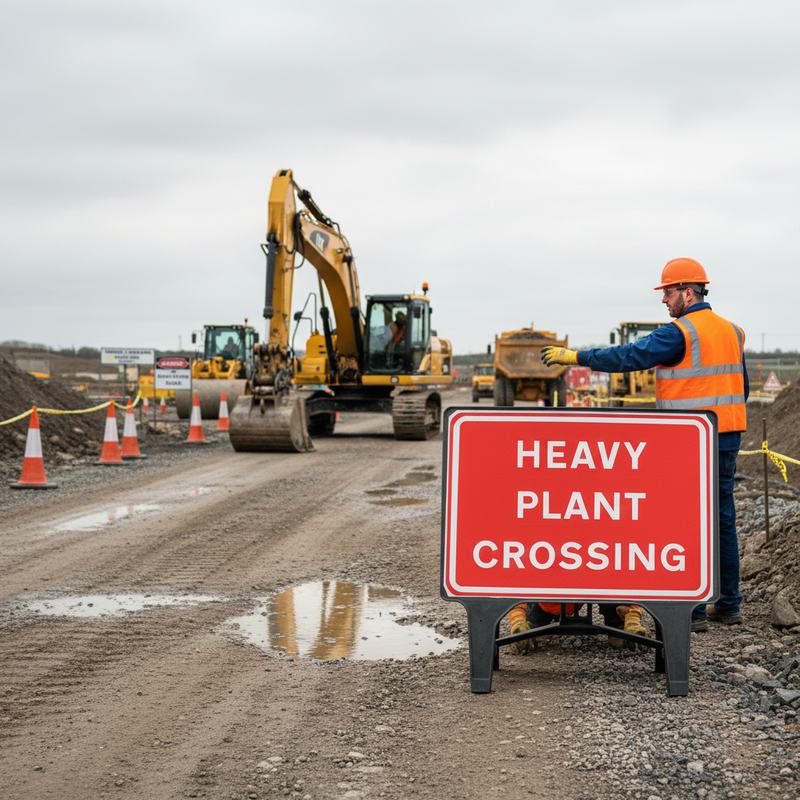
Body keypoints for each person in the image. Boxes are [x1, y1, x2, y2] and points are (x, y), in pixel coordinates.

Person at [541, 257, 748, 632]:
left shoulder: (679, 332)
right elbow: (742, 387)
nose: (664, 301)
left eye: (668, 292)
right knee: (722, 518)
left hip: (690, 441)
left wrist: (576, 357)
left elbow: (629, 356)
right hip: (727, 435)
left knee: (689, 522)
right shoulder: (734, 331)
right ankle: (729, 604)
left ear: (688, 292)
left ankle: (694, 611)